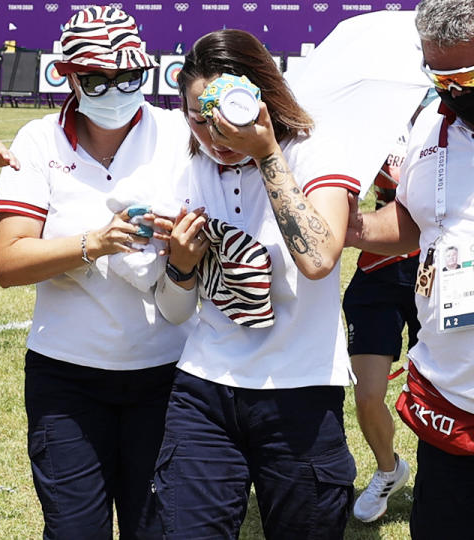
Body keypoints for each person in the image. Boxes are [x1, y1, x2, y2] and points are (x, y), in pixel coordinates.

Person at [0, 7, 194, 538]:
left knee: (155, 528)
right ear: (67, 75)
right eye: (99, 79)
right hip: (67, 381)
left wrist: (183, 239)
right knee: (73, 530)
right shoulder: (39, 141)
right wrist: (95, 243)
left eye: (130, 76)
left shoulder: (178, 134)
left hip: (167, 374)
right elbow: (9, 263)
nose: (117, 89)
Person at [151, 29, 359, 538]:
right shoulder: (188, 170)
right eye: (198, 121)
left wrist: (266, 153)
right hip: (205, 386)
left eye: (224, 118)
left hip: (300, 391)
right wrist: (180, 266)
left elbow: (318, 259)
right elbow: (176, 312)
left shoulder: (314, 151)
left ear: (258, 98)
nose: (214, 137)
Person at [346, 1, 474, 536]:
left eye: (465, 75)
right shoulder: (432, 123)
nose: (453, 92)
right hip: (449, 399)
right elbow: (415, 218)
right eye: (437, 75)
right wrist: (349, 227)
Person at [343, 136, 418, 523]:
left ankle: (445, 479)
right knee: (368, 395)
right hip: (379, 266)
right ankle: (390, 471)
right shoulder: (376, 109)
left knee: (447, 389)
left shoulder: (451, 115)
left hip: (442, 268)